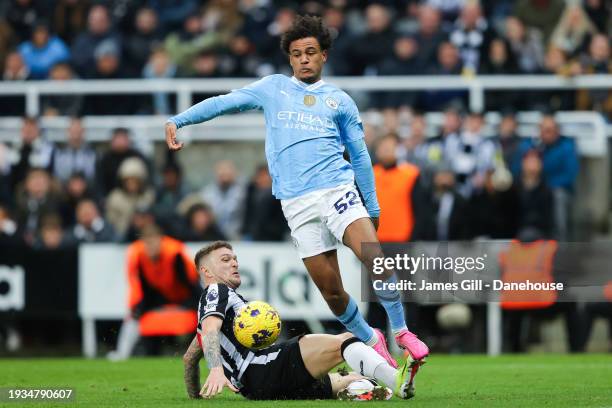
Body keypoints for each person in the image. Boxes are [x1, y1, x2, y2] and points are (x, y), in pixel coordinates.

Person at [165, 15, 429, 371]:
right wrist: (179, 120)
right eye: (296, 54)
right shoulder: (272, 88)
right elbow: (224, 102)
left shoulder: (339, 101)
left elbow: (362, 157)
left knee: (375, 257)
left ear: (323, 56)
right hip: (296, 203)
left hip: (337, 189)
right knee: (331, 292)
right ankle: (371, 339)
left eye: (310, 52)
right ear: (289, 58)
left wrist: (372, 203)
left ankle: (400, 331)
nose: (303, 59)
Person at [182, 241, 419, 400]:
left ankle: (359, 385)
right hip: (262, 368)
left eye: (234, 258)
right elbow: (211, 330)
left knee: (346, 379)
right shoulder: (216, 291)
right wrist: (215, 369)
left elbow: (190, 358)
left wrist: (196, 397)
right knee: (345, 340)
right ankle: (395, 380)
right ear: (206, 272)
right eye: (225, 260)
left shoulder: (212, 313)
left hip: (257, 388)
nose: (234, 263)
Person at [108, 224, 200, 360]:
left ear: (161, 240)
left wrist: (193, 306)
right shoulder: (140, 257)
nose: (150, 247)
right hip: (160, 298)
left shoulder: (175, 255)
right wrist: (139, 308)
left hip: (185, 298)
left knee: (206, 316)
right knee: (133, 316)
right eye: (147, 243)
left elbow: (192, 286)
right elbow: (146, 291)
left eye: (154, 242)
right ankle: (122, 354)